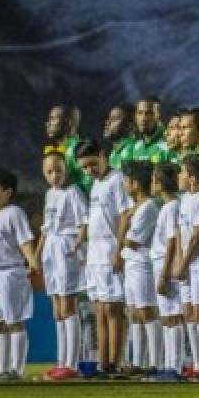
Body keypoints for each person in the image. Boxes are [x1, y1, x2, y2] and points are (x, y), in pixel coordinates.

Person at [77, 138, 133, 377]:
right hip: (95, 255)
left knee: (114, 308)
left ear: (102, 155)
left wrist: (119, 250)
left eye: (92, 164)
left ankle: (115, 361)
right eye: (84, 168)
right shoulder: (95, 185)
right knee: (99, 309)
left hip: (111, 251)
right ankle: (103, 363)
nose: (89, 171)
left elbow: (125, 214)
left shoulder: (116, 180)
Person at [37, 151, 88, 380]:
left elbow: (84, 222)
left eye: (58, 170)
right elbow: (45, 229)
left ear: (66, 169)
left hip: (66, 248)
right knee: (57, 308)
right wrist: (36, 256)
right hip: (51, 251)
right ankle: (61, 361)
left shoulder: (73, 192)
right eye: (49, 172)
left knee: (68, 305)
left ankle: (72, 363)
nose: (54, 175)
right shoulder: (50, 194)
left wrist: (77, 243)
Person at [0, 168, 40, 380]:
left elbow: (24, 240)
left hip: (10, 273)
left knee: (13, 321)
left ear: (8, 192)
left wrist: (33, 262)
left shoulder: (14, 213)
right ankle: (2, 369)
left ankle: (16, 370)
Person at [119, 161, 162, 375]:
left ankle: (156, 362)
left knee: (147, 311)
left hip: (143, 265)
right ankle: (138, 361)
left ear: (135, 184)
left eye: (126, 181)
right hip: (132, 264)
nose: (124, 185)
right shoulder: (137, 208)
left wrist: (123, 224)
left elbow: (131, 241)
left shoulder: (148, 208)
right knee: (134, 313)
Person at [174, 154, 199, 379]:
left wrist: (185, 262)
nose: (179, 176)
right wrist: (179, 261)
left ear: (191, 177)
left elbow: (197, 236)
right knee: (189, 312)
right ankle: (196, 362)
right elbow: (181, 231)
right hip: (186, 263)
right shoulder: (185, 199)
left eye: (182, 172)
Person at [149, 163, 184, 381]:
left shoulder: (171, 207)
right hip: (162, 263)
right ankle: (170, 364)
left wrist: (164, 274)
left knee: (173, 317)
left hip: (166, 264)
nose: (151, 184)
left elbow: (172, 240)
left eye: (154, 180)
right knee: (167, 317)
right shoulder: (167, 206)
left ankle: (175, 366)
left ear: (160, 184)